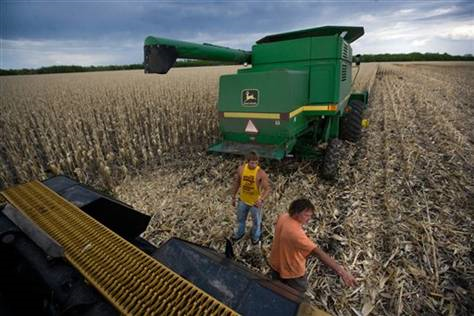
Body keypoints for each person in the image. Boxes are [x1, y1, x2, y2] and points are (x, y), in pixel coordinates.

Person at [269, 198, 357, 292]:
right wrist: (343, 273)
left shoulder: (284, 217)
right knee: (297, 294)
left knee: (276, 289)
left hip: (275, 264)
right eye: (306, 215)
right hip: (291, 271)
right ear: (296, 213)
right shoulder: (296, 233)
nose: (308, 219)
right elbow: (318, 253)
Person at [231, 151, 270, 245]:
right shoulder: (241, 169)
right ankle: (239, 234)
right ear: (247, 161)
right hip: (243, 200)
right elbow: (237, 183)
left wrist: (261, 199)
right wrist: (233, 196)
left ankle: (255, 238)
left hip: (255, 203)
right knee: (240, 219)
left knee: (256, 222)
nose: (254, 165)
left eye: (256, 163)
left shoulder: (260, 173)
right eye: (252, 162)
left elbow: (267, 189)